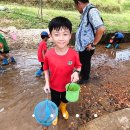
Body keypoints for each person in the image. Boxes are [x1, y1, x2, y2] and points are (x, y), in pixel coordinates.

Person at [43, 16, 81, 126]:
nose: (61, 38)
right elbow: (45, 69)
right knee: (54, 101)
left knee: (65, 100)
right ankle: (55, 113)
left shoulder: (74, 54)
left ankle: (63, 109)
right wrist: (47, 83)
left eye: (65, 34)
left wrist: (76, 72)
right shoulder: (48, 54)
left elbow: (78, 66)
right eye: (56, 34)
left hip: (68, 86)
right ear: (50, 36)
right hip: (54, 86)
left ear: (70, 36)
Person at [73, 0, 105, 84]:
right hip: (83, 46)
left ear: (79, 3)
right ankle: (83, 74)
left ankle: (85, 79)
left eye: (75, 6)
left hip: (87, 46)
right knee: (83, 62)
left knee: (85, 62)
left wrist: (93, 44)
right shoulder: (86, 11)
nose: (76, 8)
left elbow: (101, 29)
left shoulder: (91, 11)